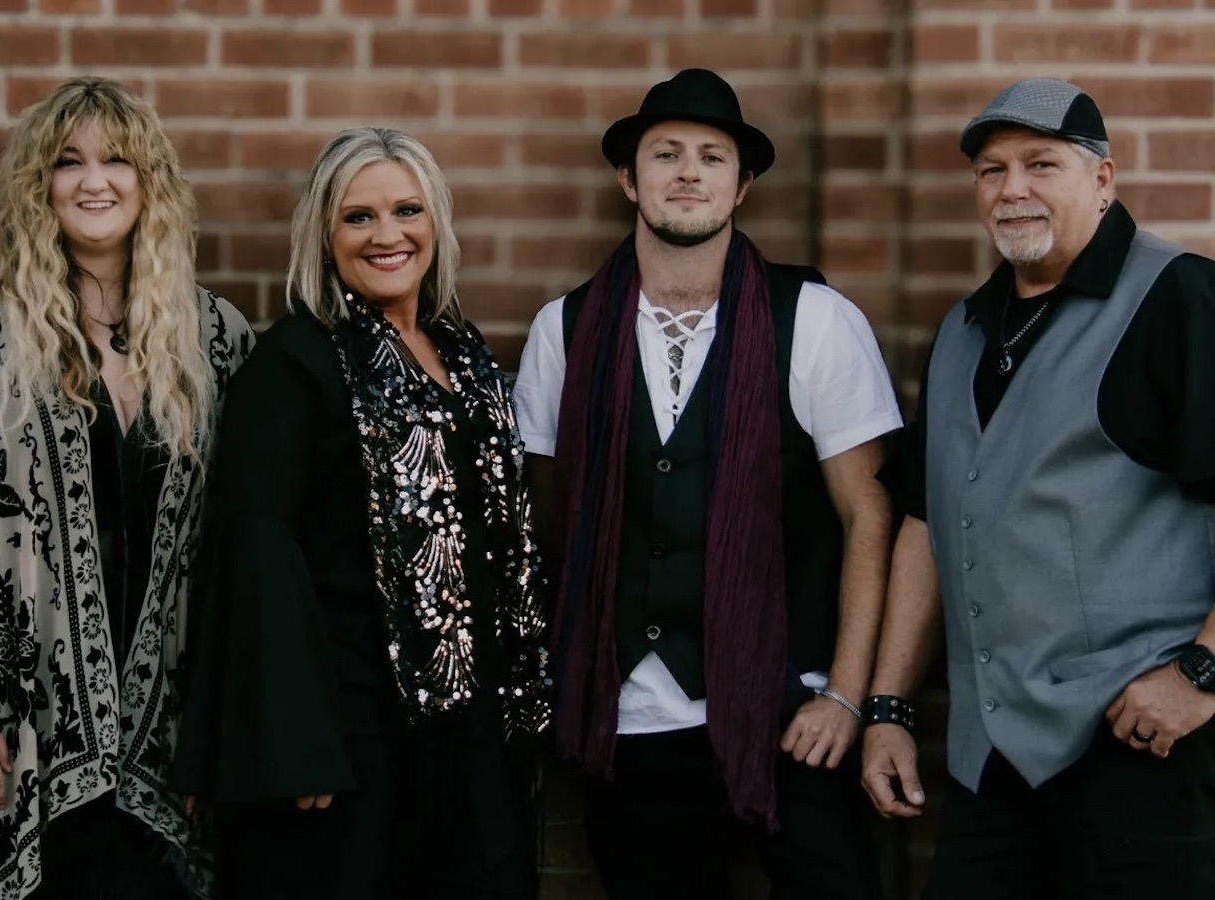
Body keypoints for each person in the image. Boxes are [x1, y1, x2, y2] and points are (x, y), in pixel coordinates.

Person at [0, 76, 252, 900]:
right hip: (9, 745)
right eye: (68, 162)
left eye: (117, 161)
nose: (94, 181)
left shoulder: (216, 339)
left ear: (152, 183)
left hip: (162, 756)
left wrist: (215, 737)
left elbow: (240, 562)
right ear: (40, 186)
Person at [512, 68, 900, 899]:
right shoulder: (565, 329)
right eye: (666, 154)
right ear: (630, 178)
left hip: (789, 716)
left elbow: (869, 516)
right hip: (629, 727)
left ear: (741, 184)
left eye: (712, 157)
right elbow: (546, 521)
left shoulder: (816, 319)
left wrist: (845, 696)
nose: (688, 172)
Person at [171, 126, 552, 900]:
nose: (387, 235)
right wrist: (294, 743)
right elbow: (256, 550)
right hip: (347, 737)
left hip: (468, 729)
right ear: (324, 233)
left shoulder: (464, 354)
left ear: (436, 223)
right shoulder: (296, 364)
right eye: (358, 217)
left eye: (407, 210)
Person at [861, 78, 1215, 897]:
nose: (1011, 187)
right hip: (993, 762)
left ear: (1103, 180)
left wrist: (1201, 674)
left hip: (1144, 751)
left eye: (1040, 164)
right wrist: (888, 707)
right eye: (991, 170)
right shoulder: (960, 332)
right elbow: (926, 522)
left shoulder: (1180, 299)